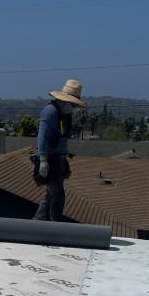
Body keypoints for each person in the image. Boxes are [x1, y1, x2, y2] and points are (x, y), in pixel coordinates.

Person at [34, 79, 87, 221]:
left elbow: (61, 137)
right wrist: (43, 160)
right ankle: (55, 227)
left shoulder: (64, 114)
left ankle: (37, 223)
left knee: (50, 195)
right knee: (58, 195)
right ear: (65, 101)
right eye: (73, 105)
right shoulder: (50, 112)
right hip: (49, 159)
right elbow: (42, 137)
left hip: (58, 158)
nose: (74, 108)